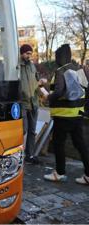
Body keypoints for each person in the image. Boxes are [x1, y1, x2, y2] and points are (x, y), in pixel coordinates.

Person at [43, 44, 89, 185]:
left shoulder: (60, 71)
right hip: (78, 114)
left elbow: (58, 91)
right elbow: (85, 89)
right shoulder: (79, 70)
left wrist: (47, 97)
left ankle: (60, 173)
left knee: (59, 144)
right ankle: (88, 175)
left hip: (63, 116)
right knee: (80, 144)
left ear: (59, 57)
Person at [19, 44, 40, 164]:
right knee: (23, 130)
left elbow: (36, 80)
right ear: (22, 53)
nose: (29, 56)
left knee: (32, 131)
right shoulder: (16, 66)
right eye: (27, 53)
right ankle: (18, 155)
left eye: (30, 54)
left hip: (34, 103)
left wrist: (40, 83)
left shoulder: (32, 66)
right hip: (23, 103)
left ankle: (30, 155)